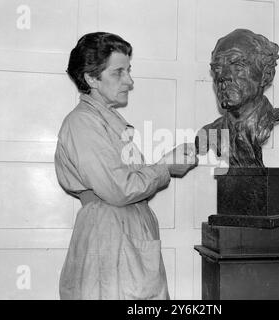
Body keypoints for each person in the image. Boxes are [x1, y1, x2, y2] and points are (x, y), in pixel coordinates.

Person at [54, 32, 197, 300]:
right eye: (118, 72)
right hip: (109, 235)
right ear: (91, 78)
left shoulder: (106, 121)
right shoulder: (83, 123)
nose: (129, 81)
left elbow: (124, 180)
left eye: (128, 70)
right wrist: (166, 166)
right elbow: (120, 188)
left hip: (122, 231)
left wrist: (166, 165)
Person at [195, 29, 279, 167]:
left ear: (266, 75)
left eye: (237, 66)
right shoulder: (210, 132)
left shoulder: (271, 117)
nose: (222, 76)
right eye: (217, 68)